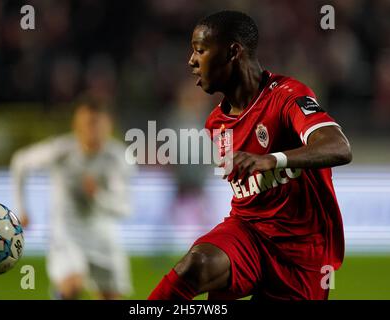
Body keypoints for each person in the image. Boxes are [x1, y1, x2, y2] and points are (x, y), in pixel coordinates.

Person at [148, 10, 352, 300]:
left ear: (233, 51)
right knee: (195, 265)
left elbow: (339, 146)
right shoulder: (215, 124)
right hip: (247, 233)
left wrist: (273, 158)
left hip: (300, 255)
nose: (191, 61)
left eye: (200, 50)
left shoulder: (287, 96)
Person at [11, 99, 134, 300]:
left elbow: (124, 208)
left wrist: (97, 195)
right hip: (66, 233)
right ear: (76, 125)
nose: (91, 129)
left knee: (111, 297)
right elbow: (20, 162)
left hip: (102, 234)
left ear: (108, 125)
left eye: (96, 122)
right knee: (72, 285)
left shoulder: (118, 158)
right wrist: (21, 208)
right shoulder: (62, 150)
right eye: (86, 123)